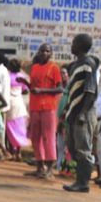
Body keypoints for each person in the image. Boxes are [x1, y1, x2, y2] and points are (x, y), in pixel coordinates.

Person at [63, 34, 99, 193]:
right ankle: (80, 180)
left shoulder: (88, 63)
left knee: (83, 149)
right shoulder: (76, 64)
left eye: (73, 43)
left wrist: (83, 113)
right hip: (73, 112)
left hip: (83, 113)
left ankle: (83, 183)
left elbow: (90, 91)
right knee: (73, 147)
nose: (71, 45)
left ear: (79, 45)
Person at [27, 44, 64, 178]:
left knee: (48, 137)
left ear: (51, 54)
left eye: (47, 51)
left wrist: (42, 91)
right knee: (35, 136)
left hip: (48, 107)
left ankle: (49, 169)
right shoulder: (35, 67)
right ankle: (39, 166)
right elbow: (34, 86)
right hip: (34, 106)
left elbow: (60, 89)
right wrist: (26, 86)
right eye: (42, 50)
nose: (44, 53)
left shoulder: (54, 68)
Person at [5, 59, 31, 161]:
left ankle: (12, 152)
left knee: (10, 129)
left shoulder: (7, 76)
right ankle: (18, 153)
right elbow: (25, 90)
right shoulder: (22, 77)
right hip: (19, 103)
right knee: (20, 128)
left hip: (10, 103)